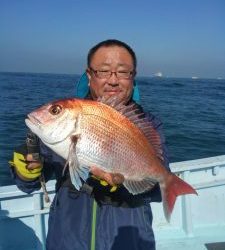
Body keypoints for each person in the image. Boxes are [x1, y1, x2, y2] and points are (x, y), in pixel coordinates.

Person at [10, 39, 169, 250]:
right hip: (67, 239)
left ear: (133, 77)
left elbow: (158, 184)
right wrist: (25, 171)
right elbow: (28, 184)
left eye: (122, 72)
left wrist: (122, 186)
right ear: (89, 75)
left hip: (128, 240)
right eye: (103, 71)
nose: (113, 81)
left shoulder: (148, 125)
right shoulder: (63, 124)